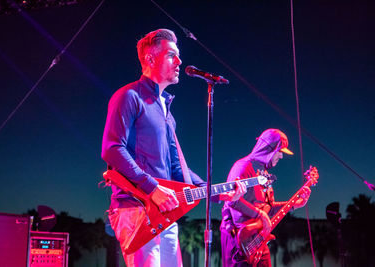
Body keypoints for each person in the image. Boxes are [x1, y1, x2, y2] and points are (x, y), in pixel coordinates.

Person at [101, 28, 246, 267]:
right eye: (171, 55)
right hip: (137, 208)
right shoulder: (129, 96)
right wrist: (152, 187)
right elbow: (112, 148)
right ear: (150, 59)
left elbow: (177, 169)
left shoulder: (167, 110)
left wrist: (220, 192)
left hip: (164, 212)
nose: (179, 61)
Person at [220, 129, 311, 267]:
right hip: (239, 240)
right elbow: (231, 200)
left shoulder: (265, 174)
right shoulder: (243, 167)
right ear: (268, 149)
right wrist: (259, 214)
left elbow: (268, 207)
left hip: (258, 240)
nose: (281, 156)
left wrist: (293, 205)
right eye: (279, 151)